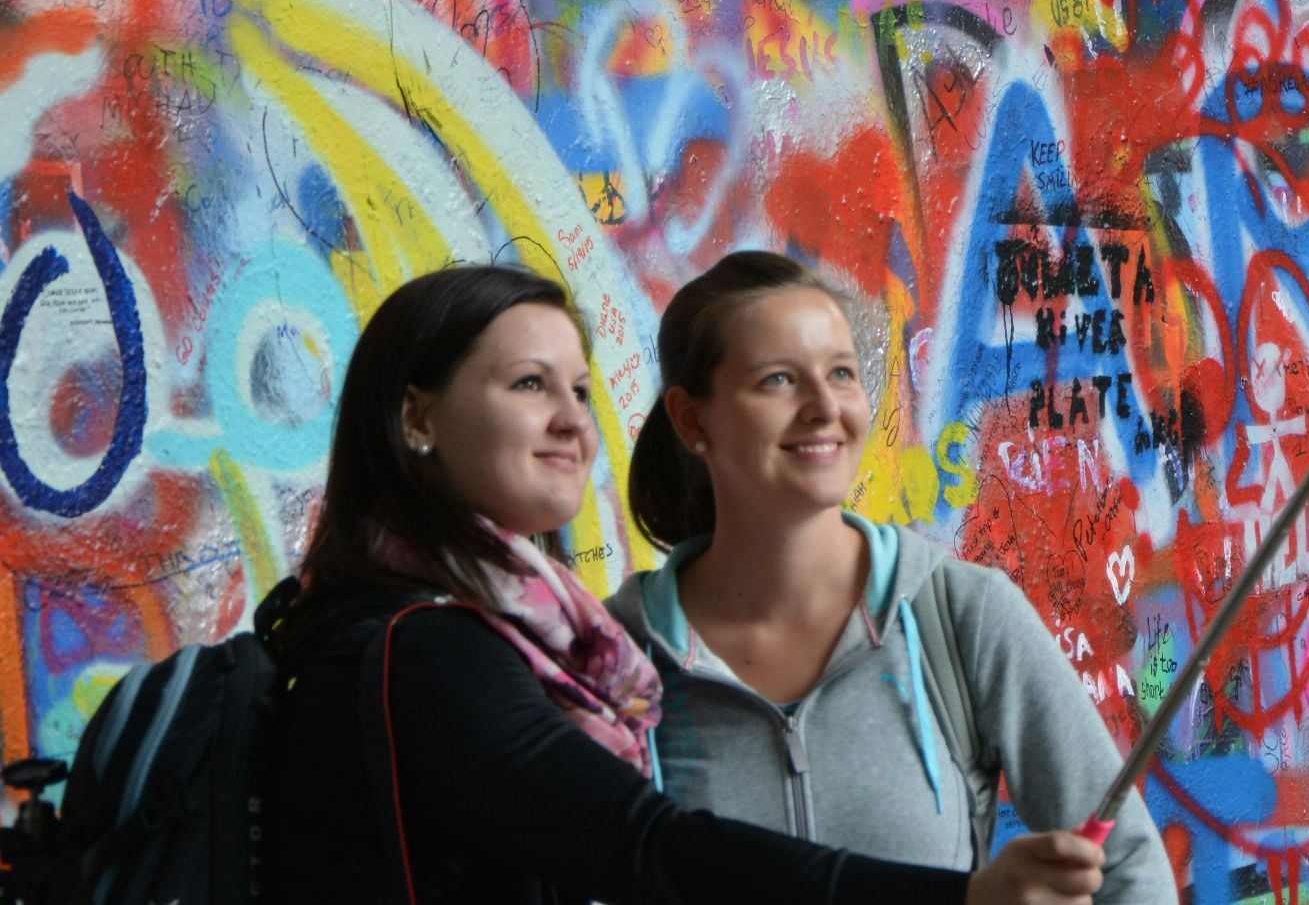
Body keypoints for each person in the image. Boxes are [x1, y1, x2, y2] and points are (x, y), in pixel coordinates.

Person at [264, 264, 1105, 904]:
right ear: (417, 418)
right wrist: (957, 897)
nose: (570, 419)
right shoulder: (424, 647)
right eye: (529, 384)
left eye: (581, 390)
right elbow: (646, 848)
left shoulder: (543, 645)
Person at [607, 252, 1175, 903]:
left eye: (842, 374)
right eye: (779, 381)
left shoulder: (959, 614)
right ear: (691, 420)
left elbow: (1128, 867)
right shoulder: (619, 656)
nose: (826, 407)